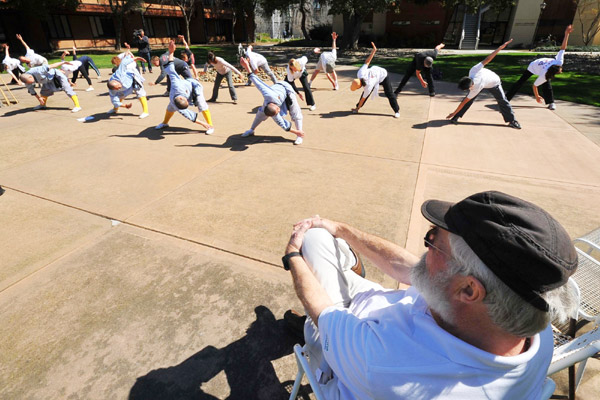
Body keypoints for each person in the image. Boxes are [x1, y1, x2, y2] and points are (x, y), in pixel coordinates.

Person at [283, 190, 579, 399]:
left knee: (311, 243)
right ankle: (346, 264)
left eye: (432, 241)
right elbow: (408, 268)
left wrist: (293, 257)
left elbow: (323, 310)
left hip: (346, 348)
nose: (426, 248)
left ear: (468, 289)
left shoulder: (387, 366)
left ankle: (313, 329)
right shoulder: (535, 332)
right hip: (377, 311)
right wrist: (341, 229)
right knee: (324, 235)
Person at [446, 39, 521, 129]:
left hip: (494, 82)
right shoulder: (473, 70)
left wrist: (454, 112)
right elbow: (487, 59)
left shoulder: (476, 88)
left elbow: (464, 102)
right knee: (469, 99)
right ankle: (457, 116)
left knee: (503, 100)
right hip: (485, 80)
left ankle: (512, 121)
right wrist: (499, 48)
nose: (467, 90)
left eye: (467, 89)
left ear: (470, 86)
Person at [239, 56, 305, 145]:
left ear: (274, 106)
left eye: (278, 110)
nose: (279, 111)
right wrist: (294, 131)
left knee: (295, 111)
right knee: (260, 114)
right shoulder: (271, 110)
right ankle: (251, 130)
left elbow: (257, 82)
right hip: (278, 95)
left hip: (287, 89)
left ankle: (300, 135)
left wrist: (247, 66)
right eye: (278, 111)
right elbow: (283, 124)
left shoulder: (267, 94)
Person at [506, 25, 573, 111]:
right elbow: (534, 86)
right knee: (521, 82)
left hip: (541, 65)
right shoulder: (544, 74)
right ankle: (506, 99)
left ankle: (551, 102)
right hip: (533, 66)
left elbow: (563, 48)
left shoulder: (559, 62)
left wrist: (567, 34)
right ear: (554, 72)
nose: (561, 70)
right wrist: (537, 96)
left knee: (546, 84)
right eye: (560, 71)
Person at [155, 40, 214, 134]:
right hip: (183, 92)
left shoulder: (176, 84)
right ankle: (165, 123)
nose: (189, 102)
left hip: (195, 87)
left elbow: (170, 68)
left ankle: (210, 126)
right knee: (170, 108)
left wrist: (171, 52)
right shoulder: (175, 104)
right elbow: (188, 115)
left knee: (201, 104)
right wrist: (202, 124)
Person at [350, 42, 400, 118]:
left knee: (389, 93)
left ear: (359, 87)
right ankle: (358, 107)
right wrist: (373, 51)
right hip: (375, 74)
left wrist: (357, 109)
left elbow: (363, 98)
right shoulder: (360, 73)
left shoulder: (368, 85)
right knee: (365, 94)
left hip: (383, 75)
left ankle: (396, 111)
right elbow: (367, 62)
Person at [107, 50, 149, 119]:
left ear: (117, 82)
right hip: (126, 86)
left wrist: (136, 58)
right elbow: (114, 100)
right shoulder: (111, 89)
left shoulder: (119, 74)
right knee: (119, 95)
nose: (118, 88)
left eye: (118, 86)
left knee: (140, 93)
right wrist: (124, 105)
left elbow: (124, 63)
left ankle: (146, 112)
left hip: (133, 78)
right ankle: (115, 109)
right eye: (117, 88)